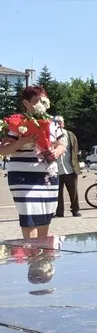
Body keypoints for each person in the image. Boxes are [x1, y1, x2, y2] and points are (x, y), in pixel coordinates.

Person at [0, 87, 67, 238]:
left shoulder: (53, 123)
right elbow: (3, 150)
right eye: (36, 101)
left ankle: (44, 257)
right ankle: (32, 254)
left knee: (45, 214)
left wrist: (56, 151)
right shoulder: (17, 123)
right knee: (28, 216)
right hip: (23, 177)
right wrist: (21, 142)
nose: (40, 104)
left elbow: (62, 144)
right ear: (26, 103)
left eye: (43, 101)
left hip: (47, 176)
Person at [52, 116, 81, 217]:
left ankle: (75, 210)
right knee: (57, 193)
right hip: (56, 169)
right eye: (55, 122)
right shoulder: (51, 135)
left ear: (63, 124)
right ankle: (59, 212)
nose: (58, 124)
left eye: (60, 122)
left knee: (73, 192)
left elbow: (75, 149)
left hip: (70, 168)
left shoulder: (70, 135)